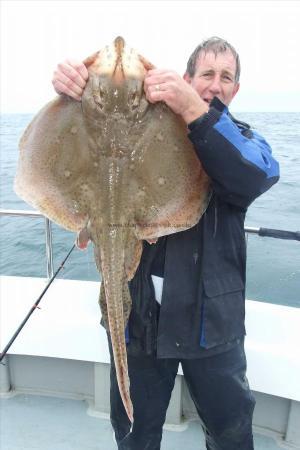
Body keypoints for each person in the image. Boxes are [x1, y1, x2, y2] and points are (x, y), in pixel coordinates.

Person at [52, 37, 280, 450]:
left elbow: (253, 175)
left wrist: (194, 111)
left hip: (213, 326)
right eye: (206, 75)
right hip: (140, 319)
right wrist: (75, 89)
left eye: (225, 77)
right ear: (186, 78)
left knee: (230, 434)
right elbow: (96, 134)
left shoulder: (245, 141)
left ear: (236, 90)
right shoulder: (149, 124)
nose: (215, 85)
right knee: (135, 435)